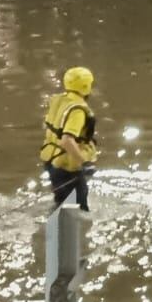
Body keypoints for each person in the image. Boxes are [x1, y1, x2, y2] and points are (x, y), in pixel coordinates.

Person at [39, 66, 99, 211]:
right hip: (67, 168)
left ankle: (55, 227)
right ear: (86, 86)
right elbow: (67, 139)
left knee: (62, 204)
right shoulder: (78, 110)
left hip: (51, 162)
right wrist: (84, 162)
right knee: (79, 210)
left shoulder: (59, 100)